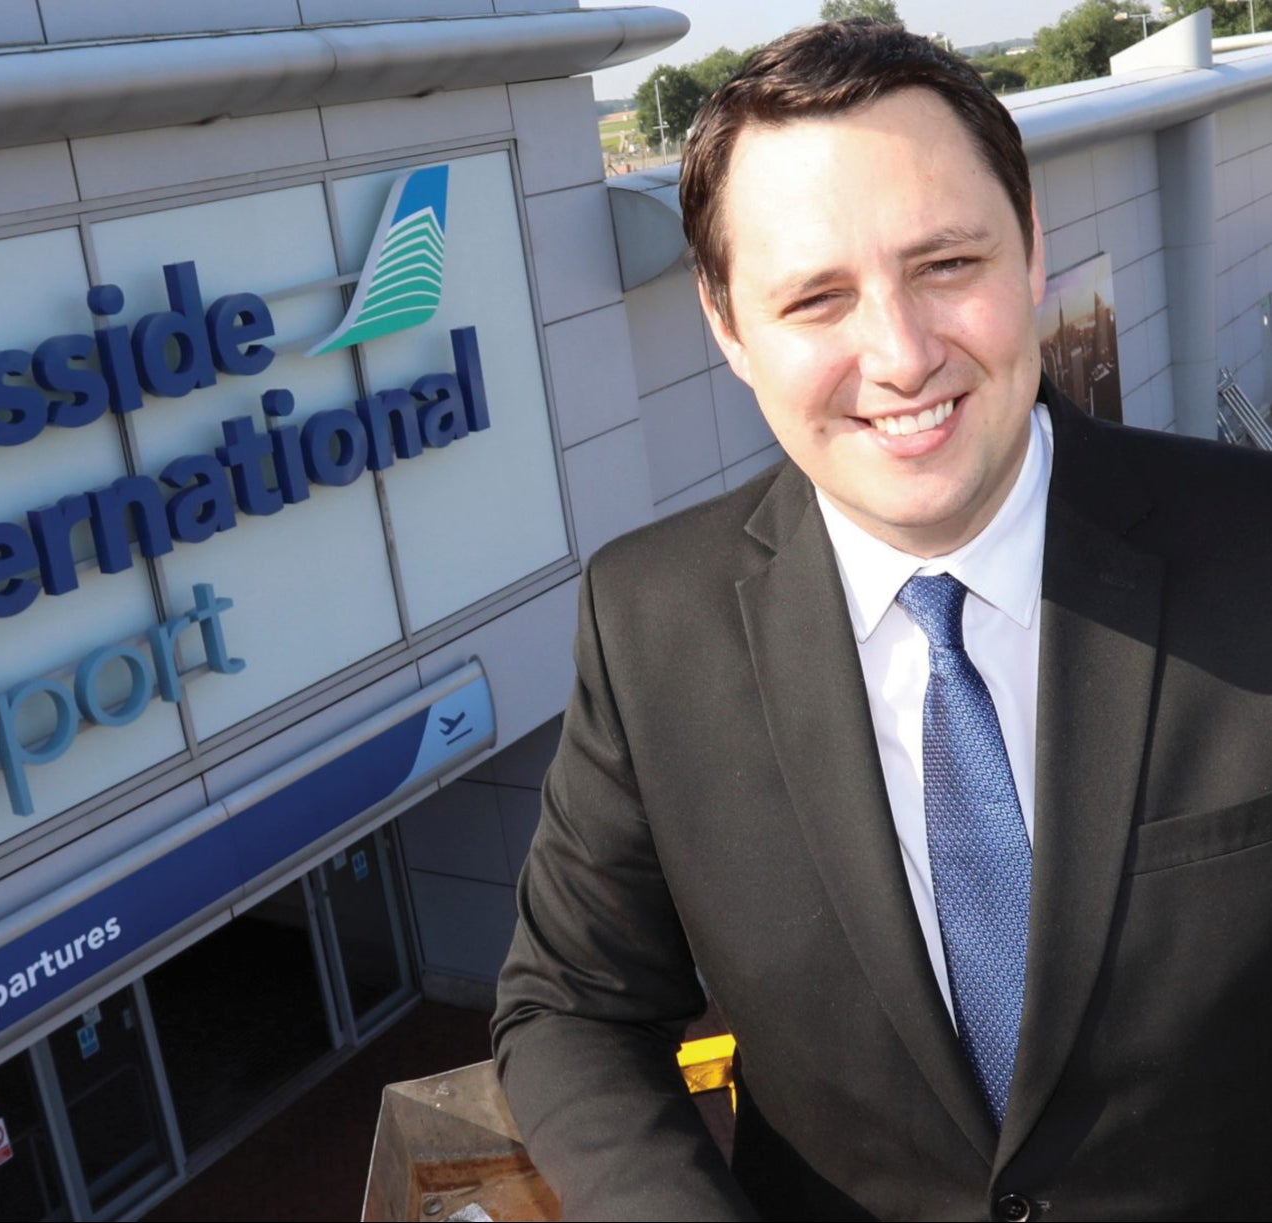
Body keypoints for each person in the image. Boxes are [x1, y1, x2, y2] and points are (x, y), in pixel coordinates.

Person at [492, 20, 1272, 1221]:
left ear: (1027, 250)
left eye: (944, 265)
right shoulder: (650, 624)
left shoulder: (1254, 546)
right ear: (725, 325)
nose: (899, 355)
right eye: (814, 297)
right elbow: (571, 1005)